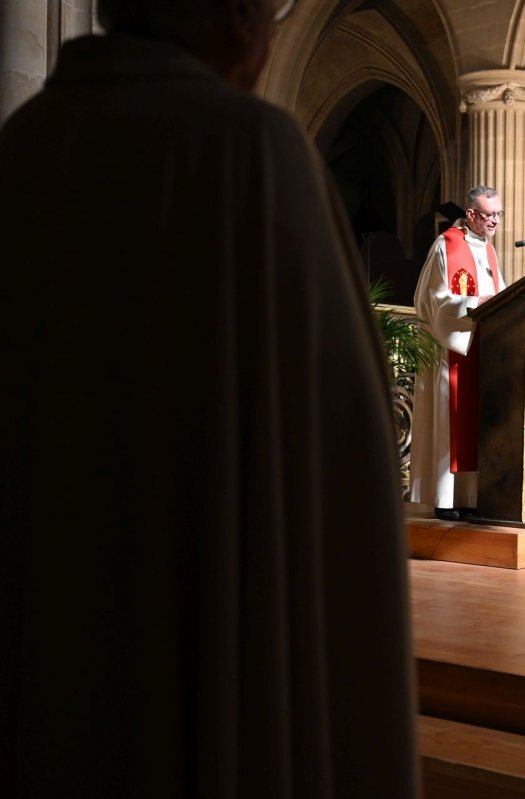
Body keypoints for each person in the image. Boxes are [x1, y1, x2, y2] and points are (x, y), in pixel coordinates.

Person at [0, 2, 418, 796]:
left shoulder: (21, 152)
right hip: (205, 669)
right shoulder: (253, 156)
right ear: (235, 18)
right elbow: (345, 480)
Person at [412, 186, 508, 522]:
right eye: (488, 214)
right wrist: (472, 304)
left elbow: (502, 295)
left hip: (484, 347)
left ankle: (470, 496)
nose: (494, 220)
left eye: (498, 214)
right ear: (471, 214)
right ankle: (446, 496)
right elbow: (434, 300)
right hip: (452, 345)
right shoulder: (446, 245)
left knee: (475, 422)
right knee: (450, 419)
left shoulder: (491, 252)